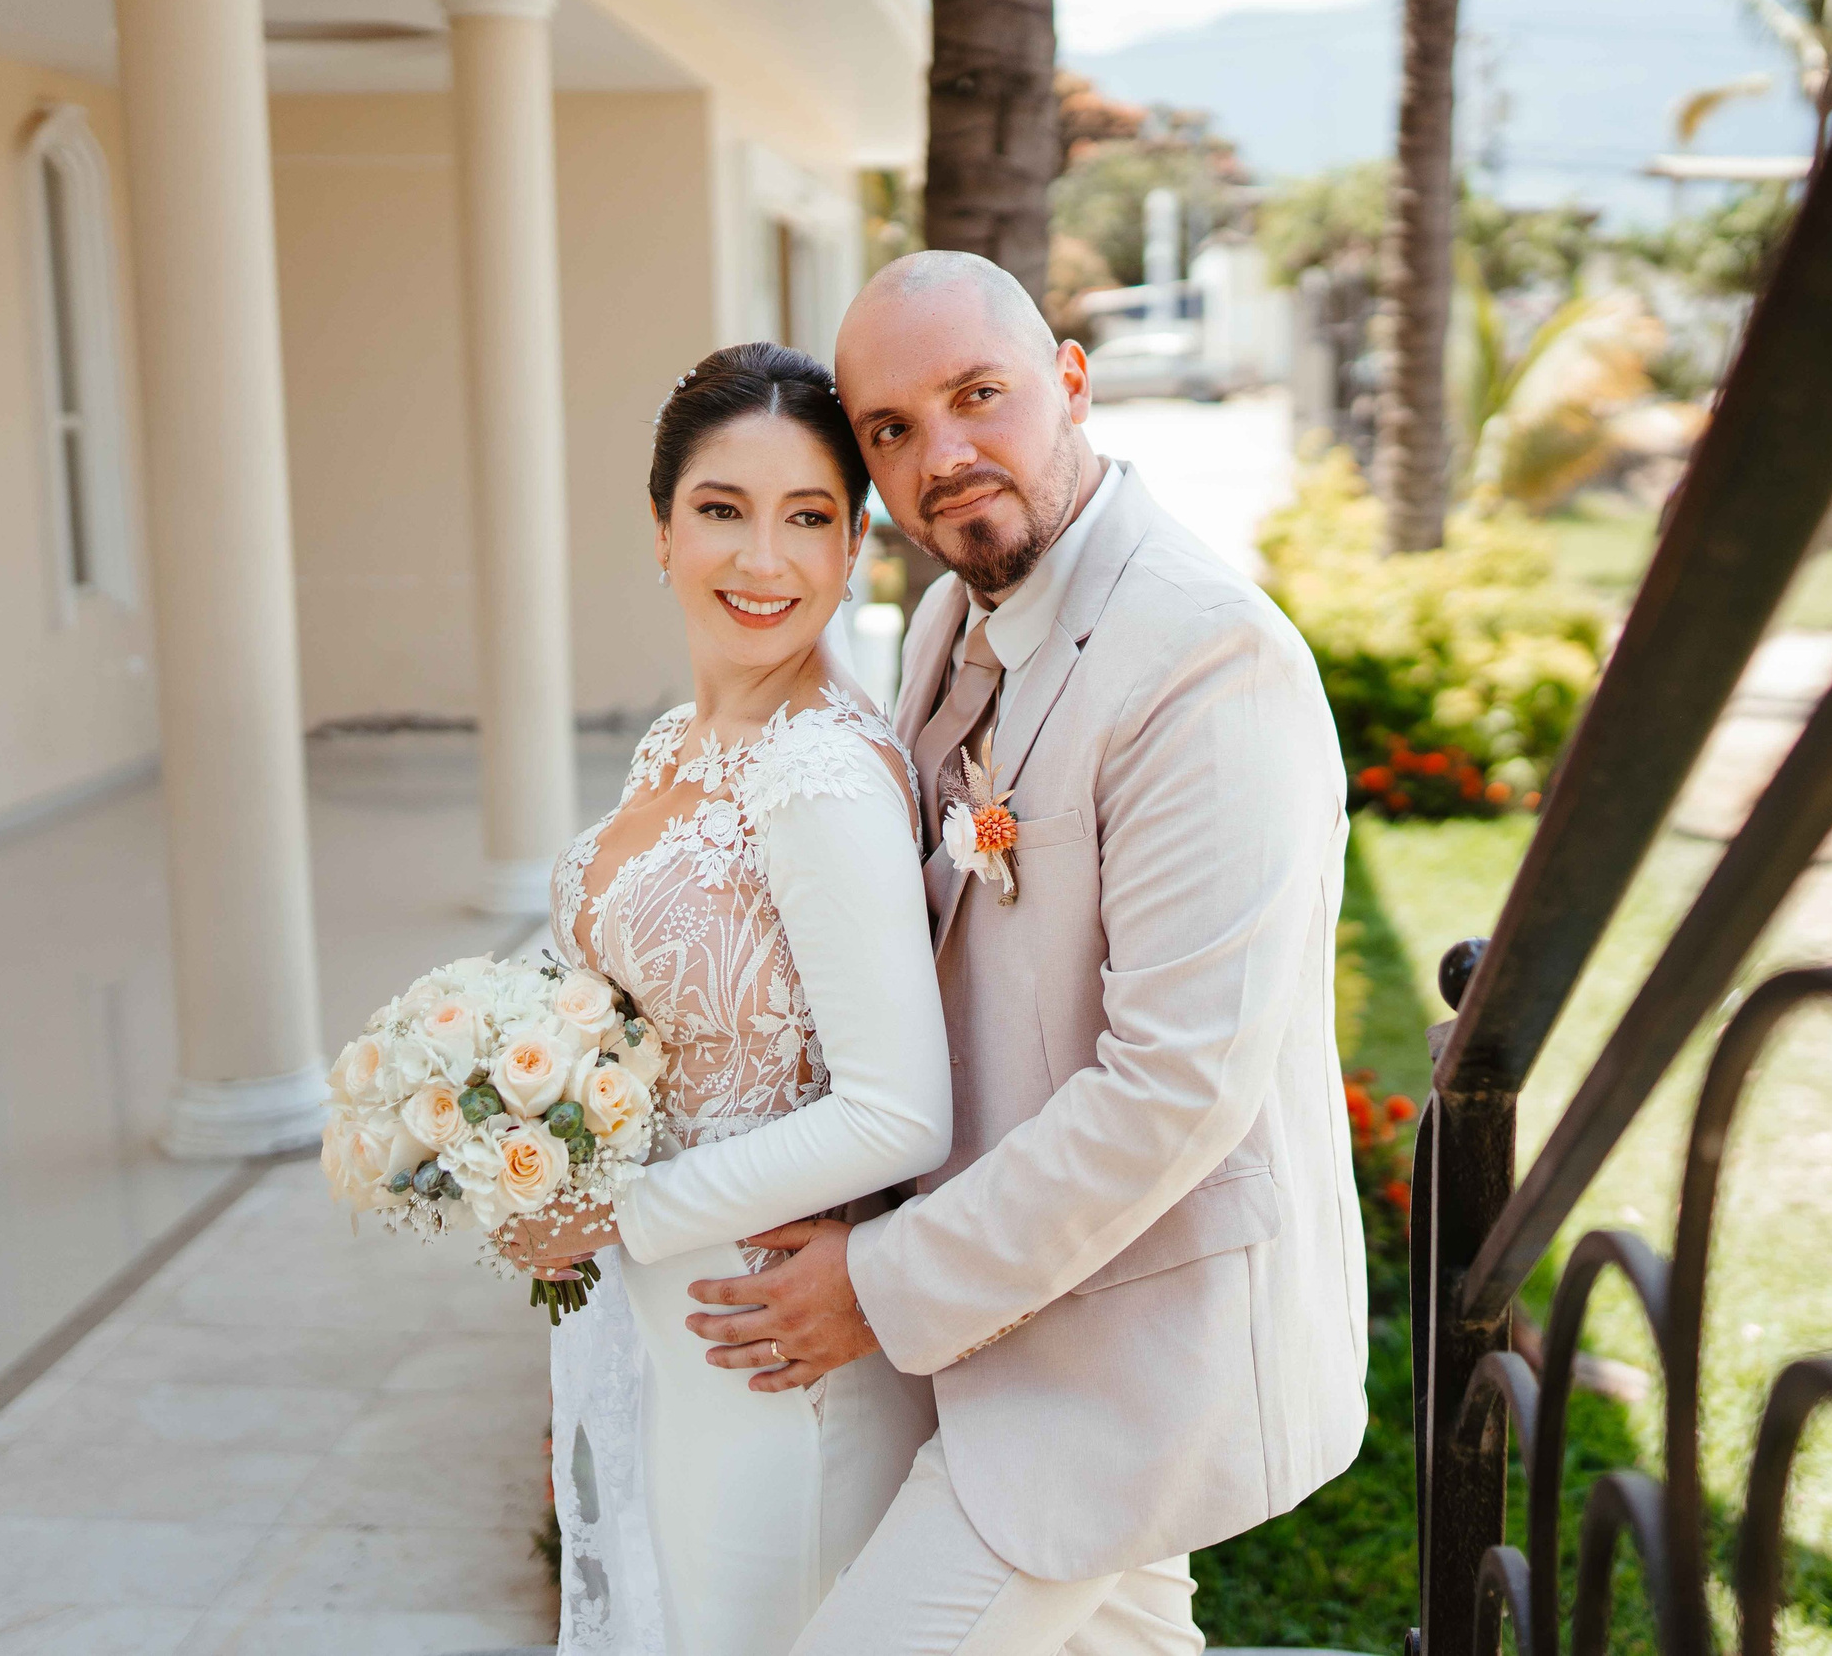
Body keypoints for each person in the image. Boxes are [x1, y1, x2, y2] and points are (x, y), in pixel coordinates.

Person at [675, 251, 1370, 1655]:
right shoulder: (951, 619)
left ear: (1069, 383)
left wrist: (876, 1284)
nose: (944, 457)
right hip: (1007, 1330)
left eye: (977, 396)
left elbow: (1174, 1090)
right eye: (893, 430)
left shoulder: (1205, 661)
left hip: (1127, 1360)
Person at [498, 341, 953, 1655]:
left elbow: (897, 1115)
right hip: (677, 1354)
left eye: (808, 518)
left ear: (856, 544)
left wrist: (615, 1213)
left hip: (773, 1378)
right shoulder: (682, 744)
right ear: (659, 529)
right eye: (721, 511)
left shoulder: (818, 779)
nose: (764, 563)